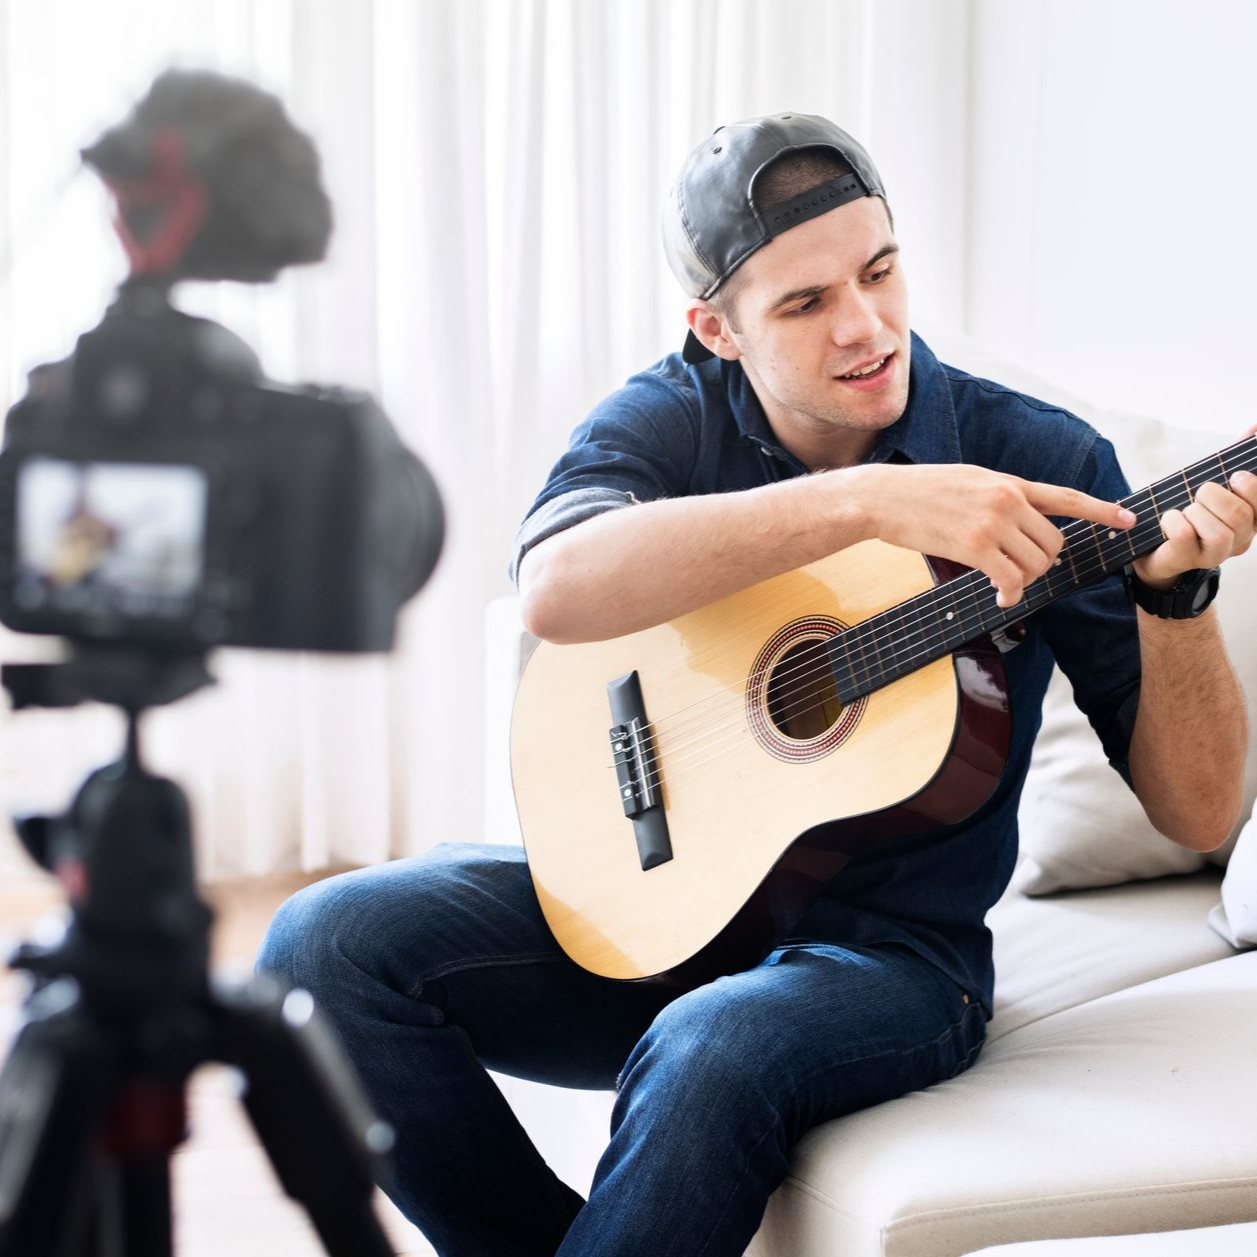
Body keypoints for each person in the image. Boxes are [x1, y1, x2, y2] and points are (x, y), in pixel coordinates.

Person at [257, 112, 1255, 1257]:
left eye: (880, 271)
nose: (866, 326)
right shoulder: (675, 414)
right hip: (658, 908)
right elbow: (555, 585)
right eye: (806, 302)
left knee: (712, 1044)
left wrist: (1178, 599)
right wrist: (867, 502)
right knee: (318, 947)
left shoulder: (1040, 459)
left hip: (890, 964)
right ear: (716, 330)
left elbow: (1199, 813)